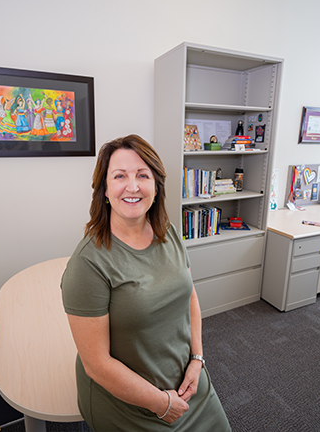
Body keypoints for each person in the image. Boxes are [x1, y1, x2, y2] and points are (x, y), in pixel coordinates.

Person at [61, 134, 232, 431]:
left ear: (156, 186)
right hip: (130, 400)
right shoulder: (88, 264)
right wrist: (160, 403)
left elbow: (189, 297)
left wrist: (197, 358)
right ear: (104, 189)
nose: (133, 186)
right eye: (119, 176)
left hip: (188, 379)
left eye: (143, 175)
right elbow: (97, 365)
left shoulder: (169, 233)